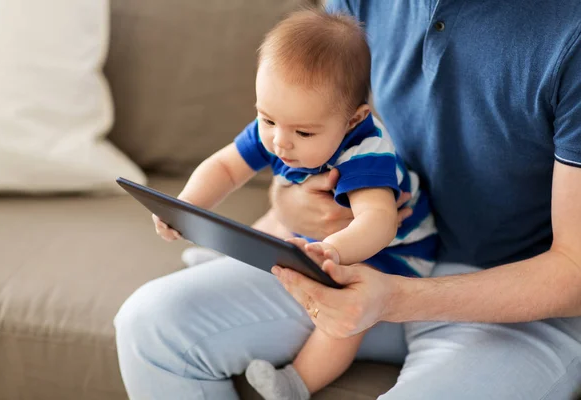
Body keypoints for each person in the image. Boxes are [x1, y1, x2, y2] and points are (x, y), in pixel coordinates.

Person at [114, 1, 581, 399]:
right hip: (353, 265)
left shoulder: (570, 32)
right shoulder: (336, 38)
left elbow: (573, 272)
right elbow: (290, 128)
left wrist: (375, 284)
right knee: (150, 325)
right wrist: (288, 204)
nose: (278, 139)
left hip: (511, 298)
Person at [151, 10, 436, 399]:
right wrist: (185, 205)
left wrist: (332, 251)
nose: (280, 143)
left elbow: (379, 221)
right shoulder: (279, 126)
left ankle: (295, 383)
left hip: (393, 255)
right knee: (277, 224)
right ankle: (230, 256)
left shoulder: (366, 153)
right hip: (319, 233)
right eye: (266, 120)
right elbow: (225, 167)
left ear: (354, 120)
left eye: (303, 132)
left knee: (346, 315)